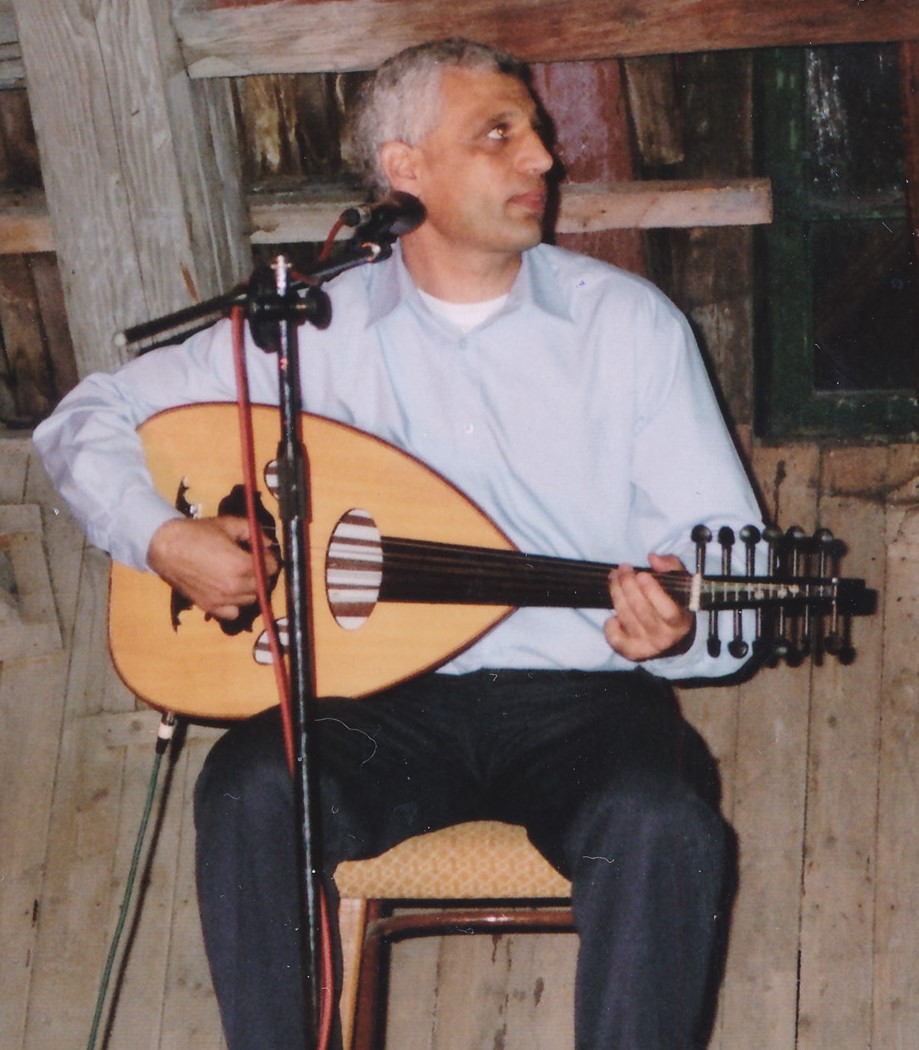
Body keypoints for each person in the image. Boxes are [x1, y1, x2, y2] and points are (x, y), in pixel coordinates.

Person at [35, 37, 766, 1050]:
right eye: (498, 134)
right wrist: (161, 538)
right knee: (247, 787)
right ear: (403, 167)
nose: (543, 159)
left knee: (662, 821)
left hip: (580, 704)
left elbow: (731, 568)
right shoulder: (307, 327)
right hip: (373, 705)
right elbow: (85, 419)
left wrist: (676, 627)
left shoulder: (628, 326)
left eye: (537, 132)